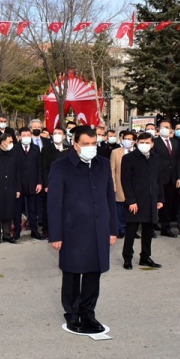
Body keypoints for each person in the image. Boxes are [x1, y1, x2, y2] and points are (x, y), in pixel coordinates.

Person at [47, 126, 117, 334]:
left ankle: (89, 313)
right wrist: (56, 234)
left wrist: (112, 229)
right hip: (72, 230)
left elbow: (109, 199)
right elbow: (54, 203)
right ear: (75, 144)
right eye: (86, 144)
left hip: (99, 228)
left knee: (93, 272)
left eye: (94, 144)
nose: (91, 148)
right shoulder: (61, 167)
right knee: (72, 273)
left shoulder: (103, 164)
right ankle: (72, 313)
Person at [120, 132, 165, 270]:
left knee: (148, 231)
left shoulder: (156, 158)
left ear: (152, 144)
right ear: (137, 143)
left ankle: (145, 257)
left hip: (151, 200)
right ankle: (127, 258)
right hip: (135, 201)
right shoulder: (129, 158)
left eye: (147, 143)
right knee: (131, 232)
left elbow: (159, 180)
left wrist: (160, 199)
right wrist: (131, 201)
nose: (145, 145)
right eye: (142, 142)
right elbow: (125, 181)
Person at [0, 134, 21, 244]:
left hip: (11, 186)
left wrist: (18, 189)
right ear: (3, 143)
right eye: (10, 141)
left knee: (9, 211)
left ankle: (7, 235)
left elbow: (17, 172)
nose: (12, 144)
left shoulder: (14, 154)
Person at [14, 127, 43, 240]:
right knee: (17, 210)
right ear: (20, 137)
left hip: (33, 183)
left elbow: (39, 167)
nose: (26, 137)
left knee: (33, 209)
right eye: (24, 135)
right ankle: (17, 231)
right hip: (19, 184)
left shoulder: (35, 149)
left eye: (28, 135)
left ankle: (34, 230)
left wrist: (40, 182)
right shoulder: (15, 149)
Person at [41, 127, 70, 238]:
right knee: (49, 208)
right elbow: (44, 168)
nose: (57, 135)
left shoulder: (69, 149)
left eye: (59, 133)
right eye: (55, 133)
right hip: (51, 182)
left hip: (66, 183)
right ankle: (47, 229)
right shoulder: (46, 149)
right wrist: (47, 184)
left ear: (64, 136)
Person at [152, 120, 179, 237]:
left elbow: (177, 161)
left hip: (171, 178)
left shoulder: (175, 142)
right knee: (154, 202)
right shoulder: (155, 142)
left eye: (168, 127)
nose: (166, 129)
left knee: (167, 204)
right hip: (158, 177)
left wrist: (179, 177)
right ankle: (151, 226)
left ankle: (165, 227)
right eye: (163, 127)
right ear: (158, 129)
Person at [110, 130, 137, 239]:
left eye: (130, 139)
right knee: (120, 208)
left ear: (134, 141)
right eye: (126, 138)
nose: (127, 141)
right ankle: (121, 228)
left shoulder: (137, 152)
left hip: (134, 184)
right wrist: (113, 183)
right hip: (120, 183)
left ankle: (132, 230)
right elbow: (112, 169)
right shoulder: (115, 152)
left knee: (133, 207)